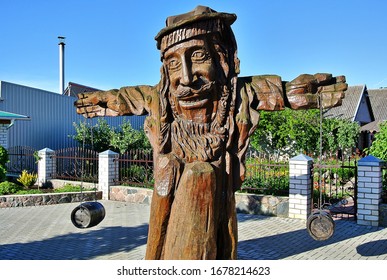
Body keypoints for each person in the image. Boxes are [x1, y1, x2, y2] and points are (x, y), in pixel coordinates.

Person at [75, 6, 347, 259]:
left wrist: (300, 93)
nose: (186, 77)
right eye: (173, 63)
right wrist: (105, 100)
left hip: (217, 206)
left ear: (223, 60)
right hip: (166, 202)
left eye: (198, 56)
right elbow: (128, 97)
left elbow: (278, 92)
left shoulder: (236, 93)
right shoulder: (160, 97)